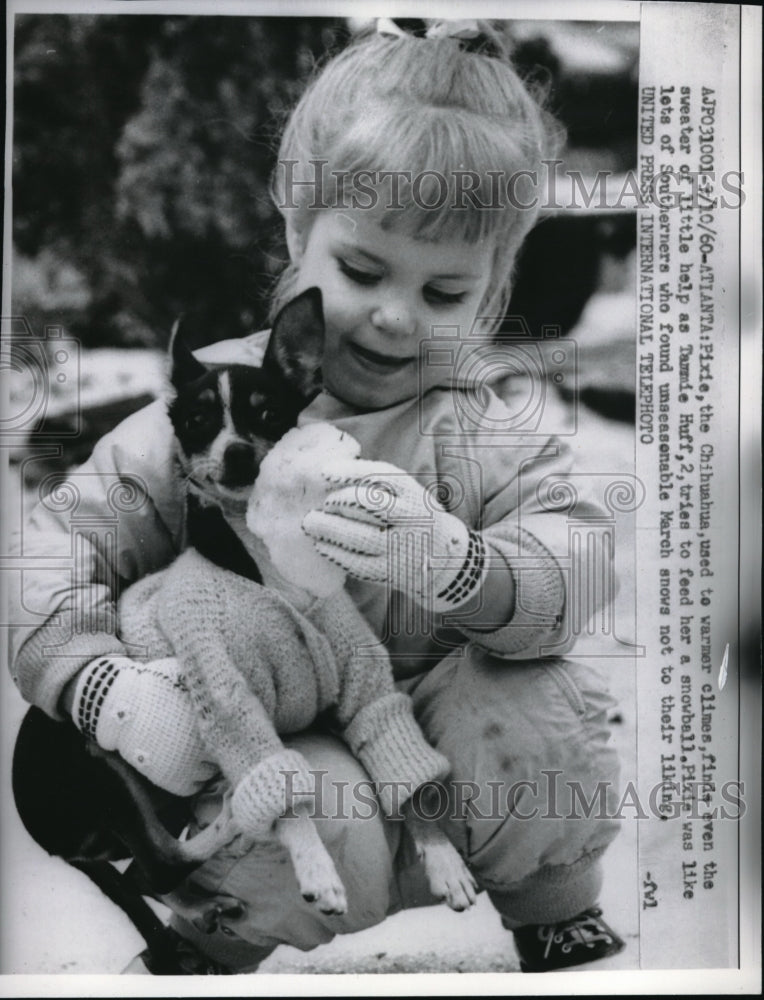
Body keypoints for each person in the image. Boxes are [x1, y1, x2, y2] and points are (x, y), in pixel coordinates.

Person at [8, 21, 625, 974]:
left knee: (530, 703)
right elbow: (58, 549)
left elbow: (576, 554)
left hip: (448, 756)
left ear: (493, 289)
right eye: (364, 270)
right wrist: (100, 683)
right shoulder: (211, 410)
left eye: (445, 292)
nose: (394, 314)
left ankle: (553, 906)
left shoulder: (478, 427)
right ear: (302, 236)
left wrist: (473, 571)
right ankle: (218, 931)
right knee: (292, 808)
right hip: (288, 751)